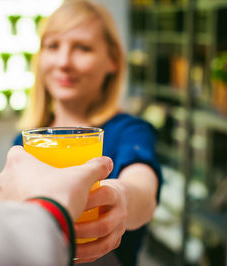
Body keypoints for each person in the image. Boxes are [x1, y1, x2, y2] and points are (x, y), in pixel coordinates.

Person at [13, 1, 163, 265]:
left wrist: (121, 198)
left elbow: (143, 192)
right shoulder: (25, 141)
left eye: (83, 48)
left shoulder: (129, 132)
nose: (64, 62)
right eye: (53, 46)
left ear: (113, 61)